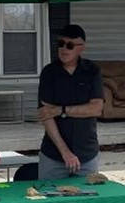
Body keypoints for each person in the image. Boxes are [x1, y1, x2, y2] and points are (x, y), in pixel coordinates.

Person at [37, 24, 104, 180]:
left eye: (70, 45)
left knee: (88, 195)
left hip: (87, 153)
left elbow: (96, 108)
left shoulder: (92, 71)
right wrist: (65, 152)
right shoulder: (49, 72)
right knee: (48, 194)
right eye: (61, 44)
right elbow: (46, 115)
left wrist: (61, 110)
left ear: (82, 47)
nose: (64, 49)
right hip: (53, 155)